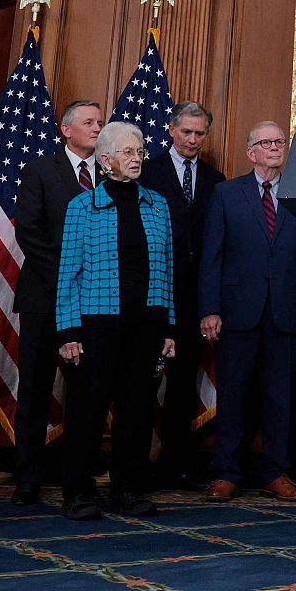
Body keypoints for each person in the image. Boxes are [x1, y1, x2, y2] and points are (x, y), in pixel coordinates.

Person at [54, 122, 177, 520]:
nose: (137, 158)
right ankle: (79, 491)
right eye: (127, 152)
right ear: (105, 160)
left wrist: (169, 327)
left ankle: (127, 489)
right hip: (97, 325)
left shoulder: (158, 204)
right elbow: (68, 274)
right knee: (87, 410)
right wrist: (69, 331)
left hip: (147, 324)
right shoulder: (82, 208)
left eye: (139, 151)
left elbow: (167, 270)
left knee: (137, 411)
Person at [198, 121, 296, 503]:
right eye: (265, 142)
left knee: (279, 398)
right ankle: (226, 473)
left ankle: (275, 472)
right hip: (236, 313)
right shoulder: (225, 193)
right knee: (234, 395)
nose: (274, 148)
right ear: (251, 152)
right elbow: (212, 256)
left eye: (279, 142)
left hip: (286, 314)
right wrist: (210, 308)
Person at [10, 100, 104, 505]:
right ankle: (28, 476)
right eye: (88, 122)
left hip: (95, 303)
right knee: (34, 388)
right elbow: (29, 233)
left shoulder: (110, 174)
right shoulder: (40, 170)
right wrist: (69, 278)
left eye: (100, 123)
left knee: (88, 390)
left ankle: (77, 474)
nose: (97, 129)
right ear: (65, 130)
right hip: (43, 297)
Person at [138, 101, 225, 491]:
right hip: (152, 294)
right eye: (186, 132)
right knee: (140, 381)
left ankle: (175, 462)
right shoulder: (147, 171)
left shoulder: (215, 179)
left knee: (182, 384)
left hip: (193, 299)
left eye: (199, 134)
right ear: (171, 130)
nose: (192, 140)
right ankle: (135, 463)